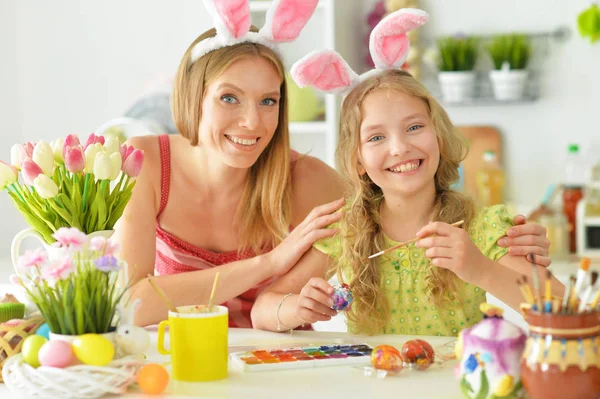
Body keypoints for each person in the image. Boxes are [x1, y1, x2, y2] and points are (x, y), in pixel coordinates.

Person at [251, 9, 564, 336]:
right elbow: (262, 310)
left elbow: (564, 309)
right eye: (376, 137)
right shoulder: (345, 231)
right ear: (358, 160)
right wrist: (296, 308)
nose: (399, 147)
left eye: (414, 127)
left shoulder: (482, 227)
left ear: (439, 136)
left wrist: (479, 269)